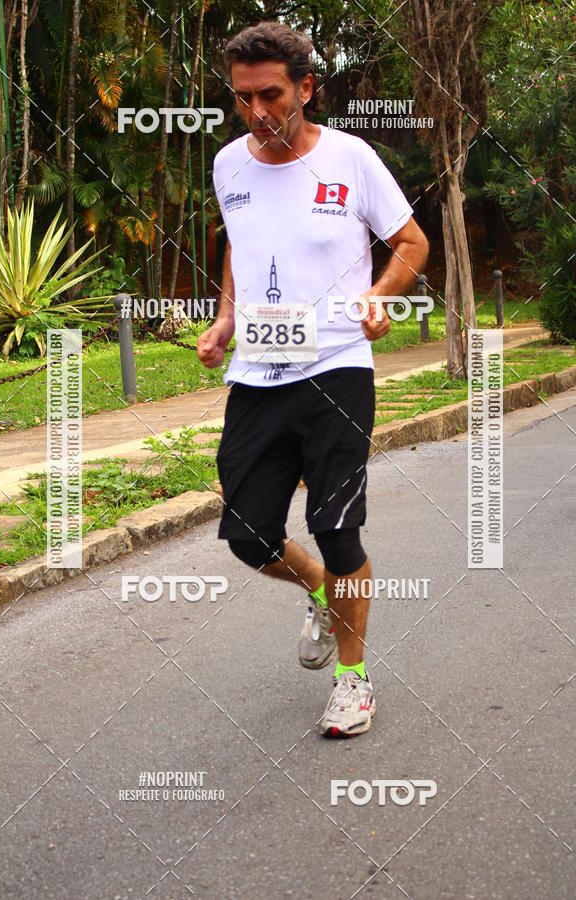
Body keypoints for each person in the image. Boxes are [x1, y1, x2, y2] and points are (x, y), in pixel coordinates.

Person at [197, 21, 429, 738]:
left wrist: (379, 295)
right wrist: (224, 320)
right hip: (259, 374)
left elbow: (411, 243)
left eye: (272, 95)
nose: (258, 112)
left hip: (336, 368)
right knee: (247, 535)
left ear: (306, 87)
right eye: (243, 99)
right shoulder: (229, 164)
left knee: (337, 525)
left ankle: (353, 681)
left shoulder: (352, 159)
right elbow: (240, 248)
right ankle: (326, 595)